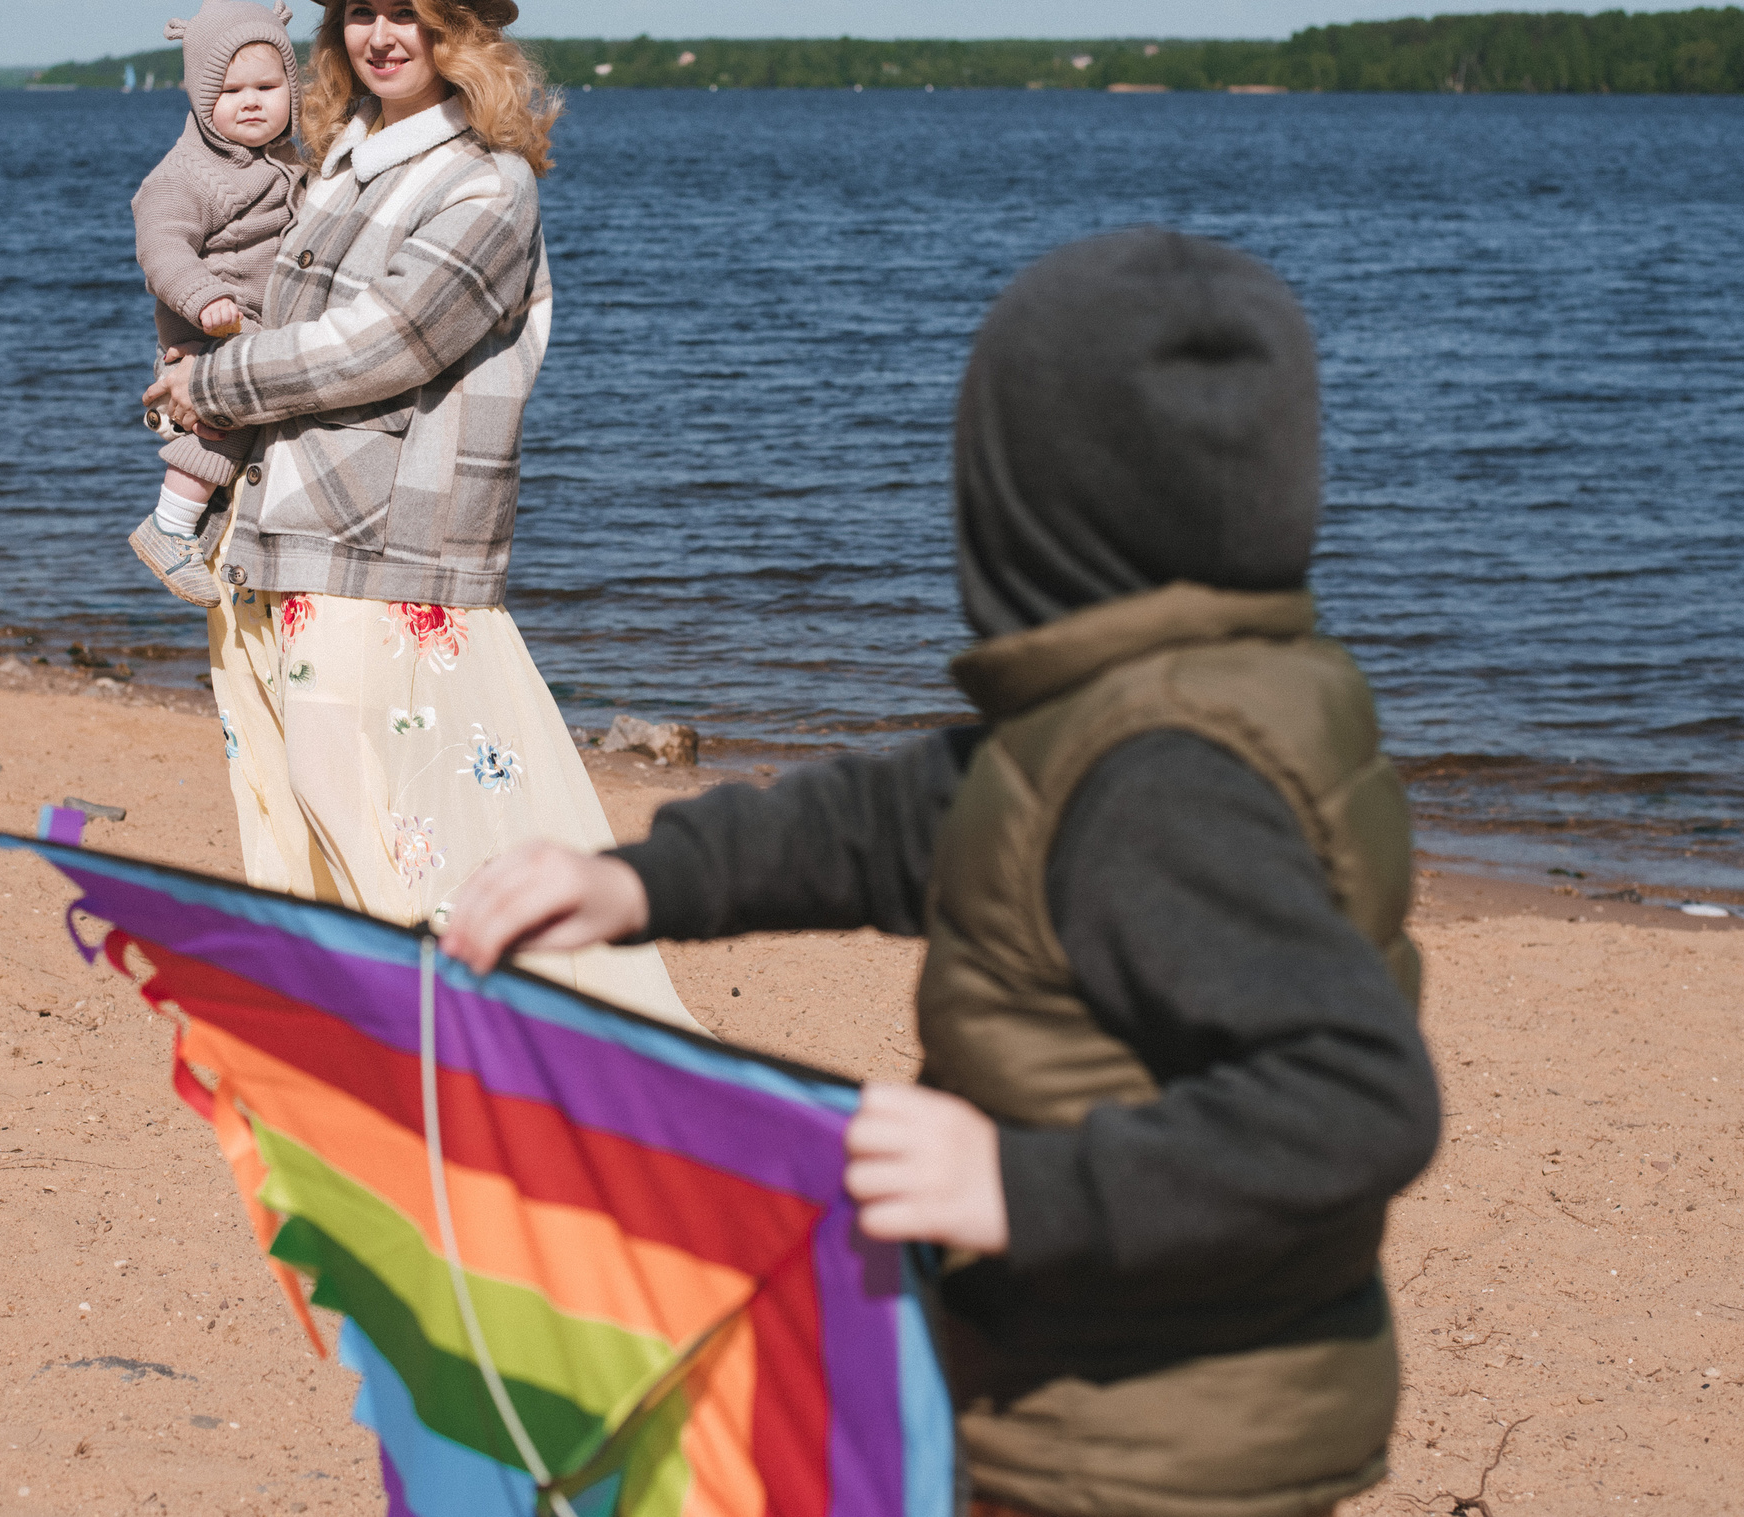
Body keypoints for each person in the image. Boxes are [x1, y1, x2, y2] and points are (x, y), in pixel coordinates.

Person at [439, 229, 1443, 1517]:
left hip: (1142, 1437)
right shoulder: (1150, 706)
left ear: (1033, 505)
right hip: (1110, 1377)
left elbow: (1355, 1096)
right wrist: (643, 882)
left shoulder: (1160, 780)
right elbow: (892, 820)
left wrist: (1013, 1185)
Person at [141, 0, 699, 1030]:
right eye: (359, 13)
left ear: (457, 34)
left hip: (380, 559)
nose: (380, 35)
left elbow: (385, 343)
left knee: (406, 839)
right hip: (274, 538)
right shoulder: (332, 167)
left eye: (407, 13)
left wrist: (211, 381)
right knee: (299, 831)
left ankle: (503, 1059)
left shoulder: (485, 186)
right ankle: (375, 1059)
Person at [127, 0, 305, 608]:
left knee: (248, 432)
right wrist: (204, 299)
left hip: (261, 327)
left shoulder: (286, 159)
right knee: (218, 423)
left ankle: (204, 528)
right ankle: (169, 525)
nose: (251, 102)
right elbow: (162, 248)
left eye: (267, 85)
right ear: (204, 104)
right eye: (230, 93)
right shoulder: (187, 175)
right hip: (211, 331)